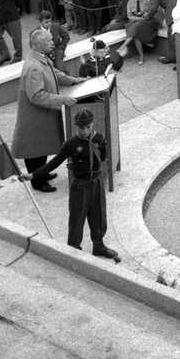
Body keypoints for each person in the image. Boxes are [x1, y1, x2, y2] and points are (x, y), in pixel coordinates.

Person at [22, 108, 120, 261]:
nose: (85, 130)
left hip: (96, 181)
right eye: (82, 128)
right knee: (77, 217)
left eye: (88, 126)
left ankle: (98, 246)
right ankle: (73, 249)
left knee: (98, 214)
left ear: (93, 124)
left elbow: (103, 157)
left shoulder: (99, 139)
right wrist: (32, 175)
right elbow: (54, 163)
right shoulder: (71, 144)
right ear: (76, 127)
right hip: (80, 184)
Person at [11, 27, 89, 186]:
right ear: (38, 43)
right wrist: (62, 99)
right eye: (49, 40)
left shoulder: (39, 57)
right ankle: (37, 182)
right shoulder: (34, 66)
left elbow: (55, 73)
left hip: (42, 115)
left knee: (41, 148)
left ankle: (42, 174)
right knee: (34, 150)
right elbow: (36, 95)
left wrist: (73, 80)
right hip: (36, 117)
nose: (53, 43)